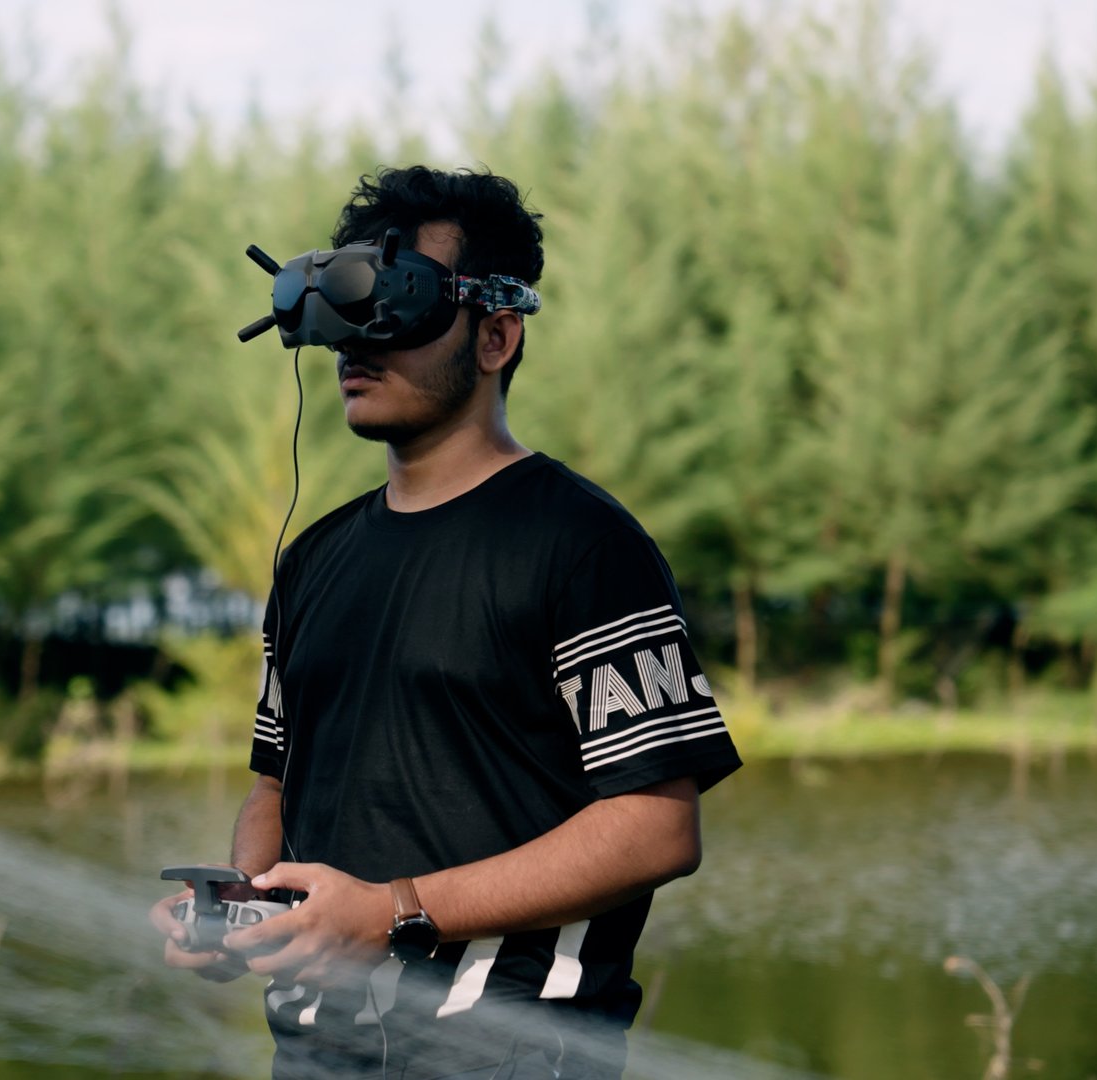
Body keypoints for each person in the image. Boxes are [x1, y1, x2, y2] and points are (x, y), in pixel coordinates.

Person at [151, 165, 743, 1080]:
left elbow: (655, 826)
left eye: (396, 303)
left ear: (496, 336)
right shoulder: (310, 561)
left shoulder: (582, 546)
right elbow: (274, 788)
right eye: (342, 309)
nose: (356, 343)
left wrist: (393, 910)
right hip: (314, 1056)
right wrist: (247, 910)